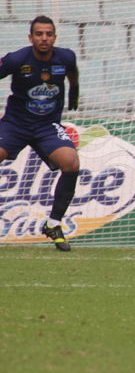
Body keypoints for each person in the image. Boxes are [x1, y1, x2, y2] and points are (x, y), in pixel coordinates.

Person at [0, 16, 80, 251]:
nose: (44, 38)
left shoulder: (66, 57)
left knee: (71, 162)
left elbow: (72, 73)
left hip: (47, 126)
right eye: (39, 34)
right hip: (15, 124)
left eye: (48, 34)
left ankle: (53, 224)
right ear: (30, 37)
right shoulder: (16, 59)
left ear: (54, 37)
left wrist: (74, 91)